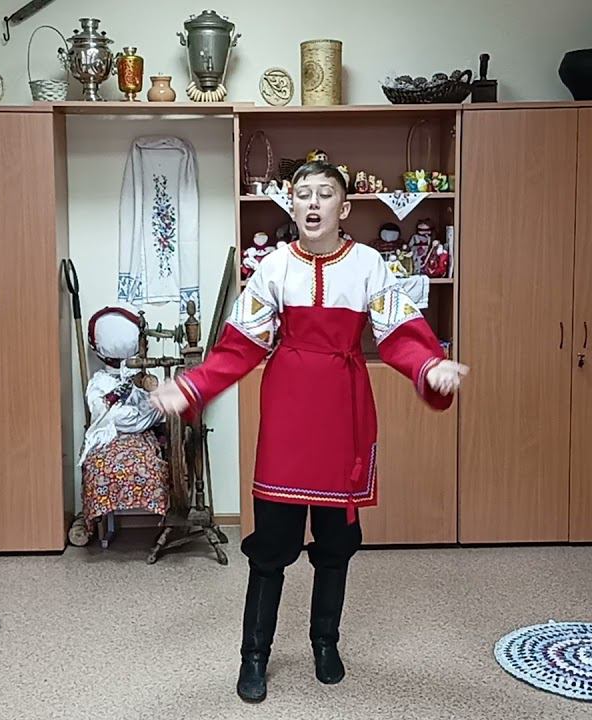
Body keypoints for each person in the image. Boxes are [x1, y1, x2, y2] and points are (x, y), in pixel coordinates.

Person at [149, 161, 467, 703]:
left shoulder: (368, 265)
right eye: (303, 195)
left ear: (344, 208)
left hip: (344, 415)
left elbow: (399, 334)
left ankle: (325, 643)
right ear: (291, 206)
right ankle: (254, 656)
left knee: (336, 543)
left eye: (324, 194)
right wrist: (193, 386)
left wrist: (428, 366)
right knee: (272, 544)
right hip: (288, 415)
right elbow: (240, 346)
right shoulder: (273, 266)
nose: (313, 203)